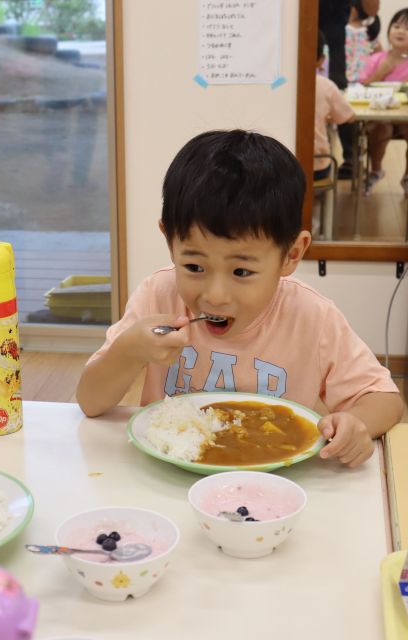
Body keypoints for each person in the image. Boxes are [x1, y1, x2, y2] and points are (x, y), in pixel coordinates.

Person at [76, 130, 402, 469]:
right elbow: (90, 402)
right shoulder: (158, 296)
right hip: (168, 475)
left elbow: (385, 399)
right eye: (194, 266)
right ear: (169, 241)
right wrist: (127, 351)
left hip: (275, 488)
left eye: (241, 272)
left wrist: (356, 423)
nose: (215, 296)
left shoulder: (311, 316)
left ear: (291, 255)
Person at [319, 0, 380, 178]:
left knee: (341, 96)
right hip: (304, 32)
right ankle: (316, 157)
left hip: (337, 40)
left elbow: (371, 11)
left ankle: (350, 159)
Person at [359, 8, 408, 196]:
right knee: (382, 128)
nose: (400, 31)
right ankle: (376, 170)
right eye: (396, 26)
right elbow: (360, 89)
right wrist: (381, 72)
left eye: (407, 28)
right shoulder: (375, 59)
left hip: (405, 118)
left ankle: (407, 177)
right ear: (388, 31)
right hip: (379, 116)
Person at [315, 30, 355, 182]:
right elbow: (349, 117)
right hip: (317, 166)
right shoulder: (327, 86)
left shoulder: (277, 85)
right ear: (321, 60)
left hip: (281, 163)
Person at [346, 0, 383, 83]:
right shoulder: (369, 30)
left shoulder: (369, 30)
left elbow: (379, 55)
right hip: (362, 77)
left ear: (355, 9)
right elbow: (379, 54)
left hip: (360, 78)